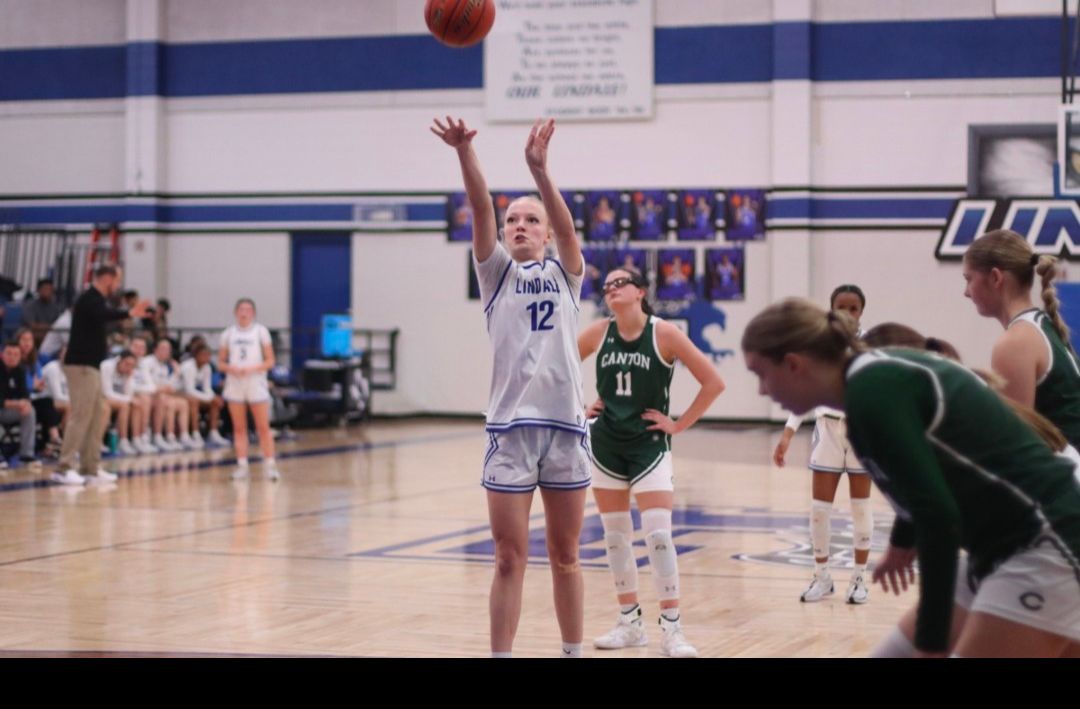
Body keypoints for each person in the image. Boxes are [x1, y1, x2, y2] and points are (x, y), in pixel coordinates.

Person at [742, 298, 1080, 657]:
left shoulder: (872, 393)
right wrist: (902, 542)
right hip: (1002, 544)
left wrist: (930, 645)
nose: (762, 391)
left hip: (1049, 537)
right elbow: (925, 474)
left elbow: (938, 516)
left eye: (760, 375)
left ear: (793, 364)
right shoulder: (868, 385)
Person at [433, 115, 589, 658]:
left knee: (566, 555)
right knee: (507, 556)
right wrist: (464, 153)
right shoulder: (495, 274)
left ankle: (572, 651)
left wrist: (540, 172)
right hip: (510, 431)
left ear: (546, 232)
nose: (519, 225)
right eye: (512, 220)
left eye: (531, 220)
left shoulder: (567, 275)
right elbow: (478, 207)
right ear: (502, 234)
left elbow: (570, 232)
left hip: (566, 429)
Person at [578, 267, 725, 657]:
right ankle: (629, 623)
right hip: (606, 443)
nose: (611, 289)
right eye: (606, 286)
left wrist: (678, 424)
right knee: (614, 539)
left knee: (658, 536)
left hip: (648, 447)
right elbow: (556, 367)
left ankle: (672, 629)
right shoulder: (598, 332)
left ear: (641, 291)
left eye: (620, 283)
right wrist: (581, 408)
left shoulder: (665, 334)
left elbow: (714, 382)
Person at [771, 285, 873, 604]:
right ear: (830, 309)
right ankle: (822, 577)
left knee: (860, 509)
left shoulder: (871, 345)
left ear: (861, 311)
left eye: (853, 308)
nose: (847, 312)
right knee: (819, 511)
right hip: (827, 431)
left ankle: (858, 579)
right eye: (841, 306)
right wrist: (788, 432)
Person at [962, 229, 1080, 446]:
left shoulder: (1015, 342)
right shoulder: (1042, 325)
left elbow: (1014, 447)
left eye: (968, 279)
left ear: (995, 277)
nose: (966, 292)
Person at [54, 265, 150, 486]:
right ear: (107, 278)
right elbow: (104, 315)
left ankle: (90, 468)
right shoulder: (89, 299)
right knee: (81, 415)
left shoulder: (97, 300)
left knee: (98, 414)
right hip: (81, 366)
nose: (118, 285)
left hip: (92, 366)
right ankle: (64, 467)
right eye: (117, 280)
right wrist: (129, 312)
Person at [219, 298, 278, 480]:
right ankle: (242, 465)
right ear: (236, 312)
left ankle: (270, 465)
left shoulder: (261, 332)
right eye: (241, 309)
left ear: (253, 313)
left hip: (255, 381)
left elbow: (270, 361)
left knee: (263, 427)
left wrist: (251, 368)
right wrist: (232, 369)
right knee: (239, 428)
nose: (244, 312)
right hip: (235, 382)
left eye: (248, 309)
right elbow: (221, 363)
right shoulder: (228, 333)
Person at [0, 340, 39, 469]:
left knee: (30, 411)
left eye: (16, 354)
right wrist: (18, 404)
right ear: (2, 355)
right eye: (9, 354)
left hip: (8, 410)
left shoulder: (20, 371)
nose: (12, 357)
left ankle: (26, 455)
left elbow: (25, 394)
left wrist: (25, 404)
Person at [181, 343, 227, 448]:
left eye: (208, 355)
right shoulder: (188, 366)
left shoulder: (207, 367)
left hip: (194, 394)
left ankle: (213, 433)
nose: (206, 357)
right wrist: (209, 398)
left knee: (215, 402)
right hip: (179, 393)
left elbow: (207, 388)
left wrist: (213, 397)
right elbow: (189, 390)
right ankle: (195, 434)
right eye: (203, 355)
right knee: (194, 401)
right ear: (196, 355)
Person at [100, 350, 138, 456]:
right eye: (127, 364)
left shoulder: (128, 372)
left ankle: (125, 441)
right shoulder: (106, 366)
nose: (129, 367)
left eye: (132, 365)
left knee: (128, 405)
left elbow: (129, 393)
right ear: (119, 361)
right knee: (121, 405)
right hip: (98, 397)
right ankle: (99, 442)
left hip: (113, 400)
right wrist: (128, 399)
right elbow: (106, 392)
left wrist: (129, 378)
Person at [22, 278, 63, 344]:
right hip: (34, 337)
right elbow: (32, 325)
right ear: (38, 290)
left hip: (51, 338)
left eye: (50, 289)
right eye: (45, 289)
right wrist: (51, 327)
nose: (47, 291)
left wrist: (48, 328)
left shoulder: (57, 307)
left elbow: (59, 327)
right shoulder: (30, 305)